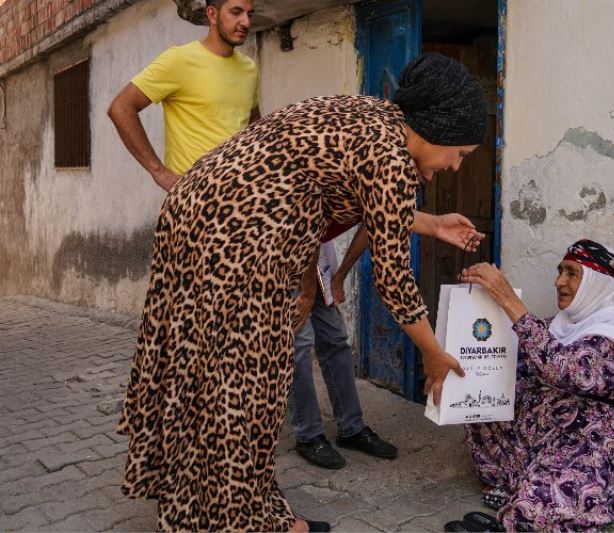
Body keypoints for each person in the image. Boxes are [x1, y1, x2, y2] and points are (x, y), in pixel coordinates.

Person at [117, 52, 487, 532]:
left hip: (198, 214)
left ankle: (224, 506)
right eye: (461, 154)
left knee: (205, 369)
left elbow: (372, 201)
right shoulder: (391, 158)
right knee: (247, 384)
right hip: (237, 240)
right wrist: (434, 354)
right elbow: (394, 278)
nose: (456, 166)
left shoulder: (375, 116)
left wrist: (432, 223)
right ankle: (241, 520)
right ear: (439, 128)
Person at [456, 240, 614, 531]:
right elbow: (518, 358)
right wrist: (456, 367)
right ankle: (515, 481)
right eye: (560, 271)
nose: (559, 282)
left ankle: (523, 509)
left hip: (598, 442)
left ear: (598, 284)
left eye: (572, 273)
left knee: (551, 498)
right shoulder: (563, 324)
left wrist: (508, 300)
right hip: (557, 430)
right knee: (482, 399)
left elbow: (564, 370)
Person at [292, 217, 479, 469]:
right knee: (299, 343)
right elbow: (307, 230)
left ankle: (351, 428)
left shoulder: (378, 202)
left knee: (335, 338)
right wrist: (306, 293)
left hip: (317, 255)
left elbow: (374, 224)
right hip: (285, 251)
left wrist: (339, 276)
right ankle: (309, 434)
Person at [107, 0, 260, 192]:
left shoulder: (249, 68)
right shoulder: (179, 60)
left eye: (249, 14)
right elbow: (121, 108)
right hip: (193, 195)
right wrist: (158, 171)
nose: (246, 22)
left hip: (240, 193)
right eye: (236, 12)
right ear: (212, 15)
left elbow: (253, 122)